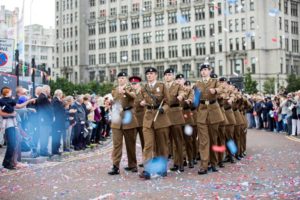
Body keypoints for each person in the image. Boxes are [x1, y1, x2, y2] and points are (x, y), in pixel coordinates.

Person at [139, 67, 171, 179]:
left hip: (160, 118)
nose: (149, 75)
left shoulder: (162, 86)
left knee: (162, 146)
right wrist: (141, 103)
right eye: (147, 74)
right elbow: (138, 101)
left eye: (151, 73)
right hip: (148, 119)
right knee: (148, 145)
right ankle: (147, 170)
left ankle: (162, 168)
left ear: (156, 75)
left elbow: (168, 102)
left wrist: (164, 109)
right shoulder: (144, 88)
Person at [194, 64, 224, 175]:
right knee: (203, 141)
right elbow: (195, 99)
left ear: (210, 71)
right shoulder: (197, 83)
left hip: (213, 111)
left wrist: (215, 90)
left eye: (206, 70)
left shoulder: (215, 81)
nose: (203, 72)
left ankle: (214, 163)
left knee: (213, 139)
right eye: (202, 70)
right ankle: (204, 165)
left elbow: (222, 88)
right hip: (202, 112)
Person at [108, 72, 138, 175]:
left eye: (123, 78)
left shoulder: (130, 87)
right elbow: (116, 101)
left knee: (130, 144)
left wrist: (125, 91)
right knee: (117, 144)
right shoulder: (115, 90)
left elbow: (134, 96)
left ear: (126, 79)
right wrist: (111, 102)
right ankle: (115, 166)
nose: (121, 80)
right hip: (117, 119)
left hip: (128, 117)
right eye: (119, 78)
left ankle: (133, 165)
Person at [163, 69, 186, 172]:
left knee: (178, 141)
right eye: (166, 75)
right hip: (165, 115)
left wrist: (181, 96)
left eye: (170, 75)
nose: (168, 76)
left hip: (176, 114)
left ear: (173, 76)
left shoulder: (177, 85)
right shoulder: (162, 86)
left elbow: (182, 92)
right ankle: (171, 163)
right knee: (167, 142)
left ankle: (180, 163)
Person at [129, 76, 145, 167]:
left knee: (144, 142)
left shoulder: (143, 91)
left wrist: (144, 102)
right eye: (132, 84)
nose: (133, 85)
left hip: (142, 119)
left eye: (135, 83)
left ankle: (145, 160)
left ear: (139, 84)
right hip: (133, 120)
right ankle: (132, 163)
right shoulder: (129, 93)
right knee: (132, 142)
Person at [35, 85, 53, 157]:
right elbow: (48, 109)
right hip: (45, 120)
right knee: (44, 136)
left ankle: (44, 150)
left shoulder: (42, 97)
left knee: (45, 135)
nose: (50, 92)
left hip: (44, 119)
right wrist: (52, 116)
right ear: (47, 90)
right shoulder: (43, 97)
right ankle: (43, 151)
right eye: (49, 90)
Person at [52, 89, 66, 155]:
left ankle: (56, 149)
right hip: (58, 121)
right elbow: (58, 112)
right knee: (57, 135)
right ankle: (55, 150)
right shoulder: (56, 101)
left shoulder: (58, 101)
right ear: (59, 94)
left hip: (59, 121)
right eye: (61, 94)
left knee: (58, 136)